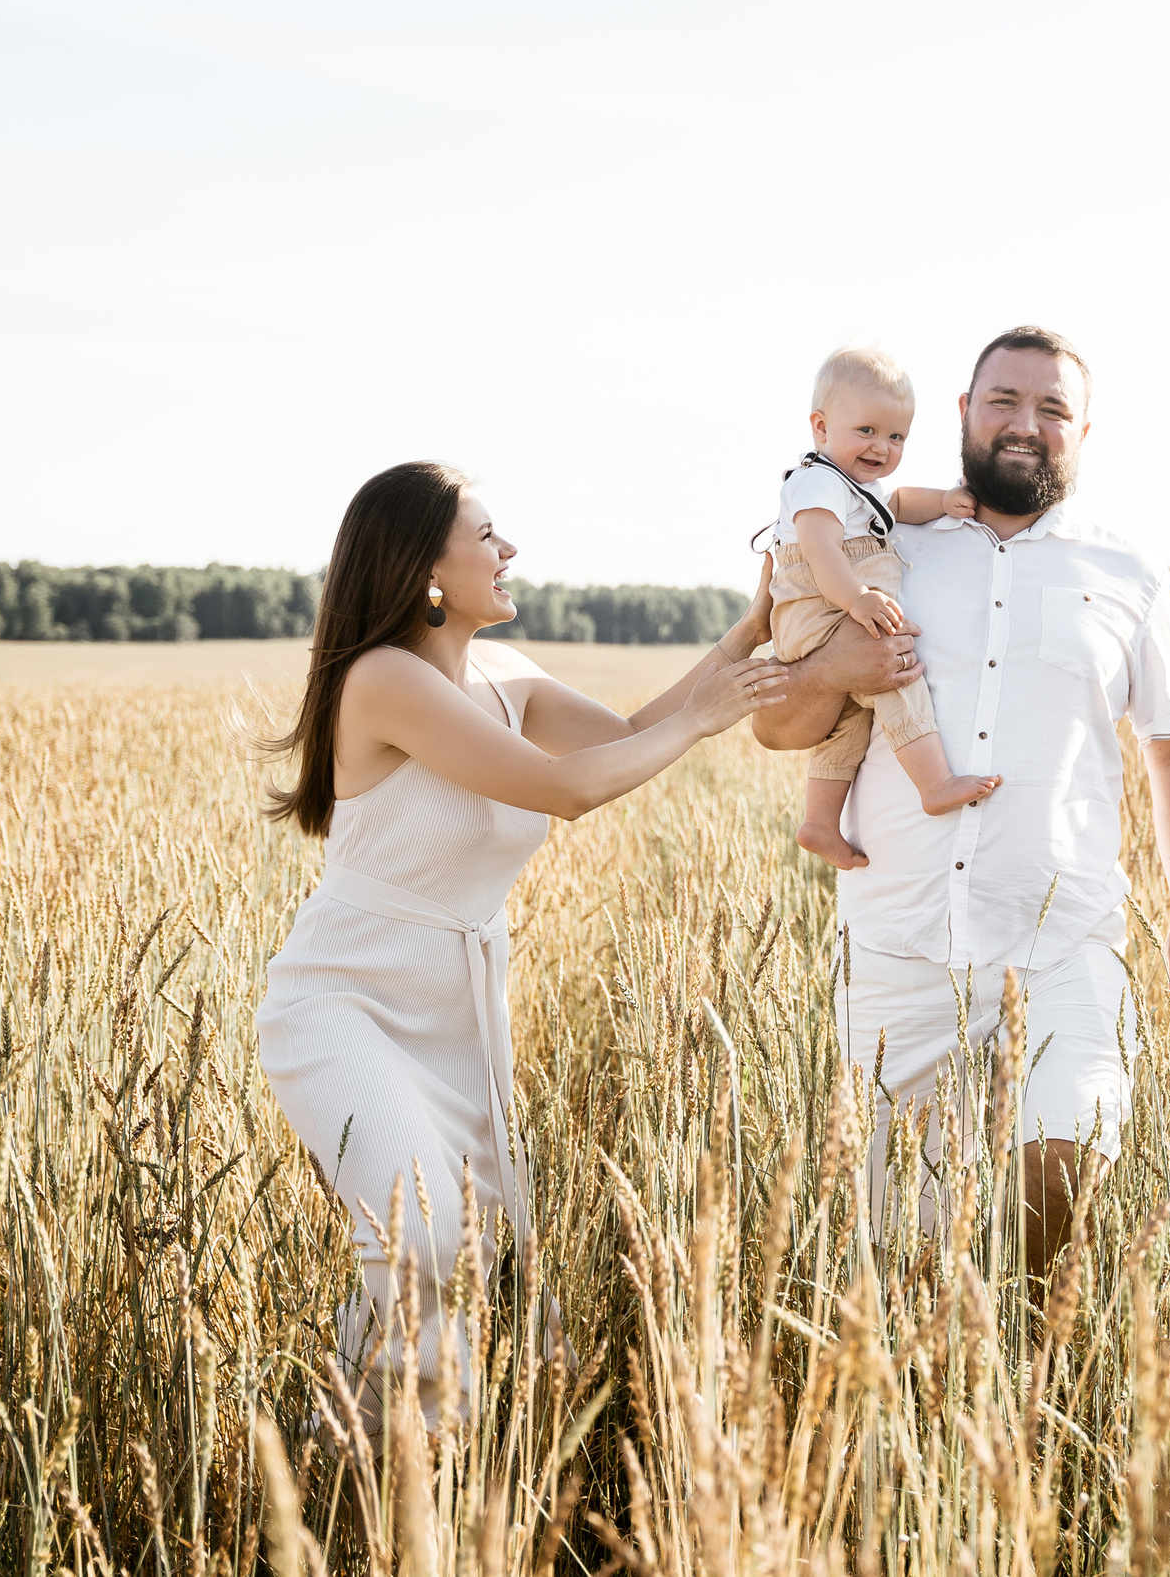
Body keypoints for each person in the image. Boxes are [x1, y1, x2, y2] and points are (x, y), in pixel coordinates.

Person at [255, 460, 787, 1417]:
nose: (511, 551)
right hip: (344, 1007)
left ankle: (357, 1460)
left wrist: (744, 637)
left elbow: (625, 732)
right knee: (422, 1235)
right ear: (425, 567)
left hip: (458, 1014)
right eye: (488, 536)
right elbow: (570, 789)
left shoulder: (505, 676)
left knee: (464, 1249)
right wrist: (712, 713)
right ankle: (378, 1471)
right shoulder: (384, 680)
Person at [752, 326, 1170, 1277]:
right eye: (1004, 401)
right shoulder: (874, 540)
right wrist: (842, 661)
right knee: (891, 1252)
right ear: (964, 415)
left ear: (1083, 430)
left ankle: (1017, 1333)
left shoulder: (1127, 571)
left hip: (1065, 944)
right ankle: (957, 1376)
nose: (1026, 424)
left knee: (1065, 1158)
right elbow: (777, 726)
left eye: (1051, 408)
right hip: (899, 948)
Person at [771, 343, 1001, 870]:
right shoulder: (816, 483)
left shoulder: (859, 488)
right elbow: (821, 550)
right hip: (821, 606)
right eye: (867, 431)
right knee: (895, 673)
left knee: (851, 717)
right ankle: (935, 782)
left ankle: (820, 823)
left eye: (897, 436)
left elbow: (896, 506)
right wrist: (855, 597)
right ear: (821, 428)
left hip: (834, 610)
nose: (883, 447)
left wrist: (942, 501)